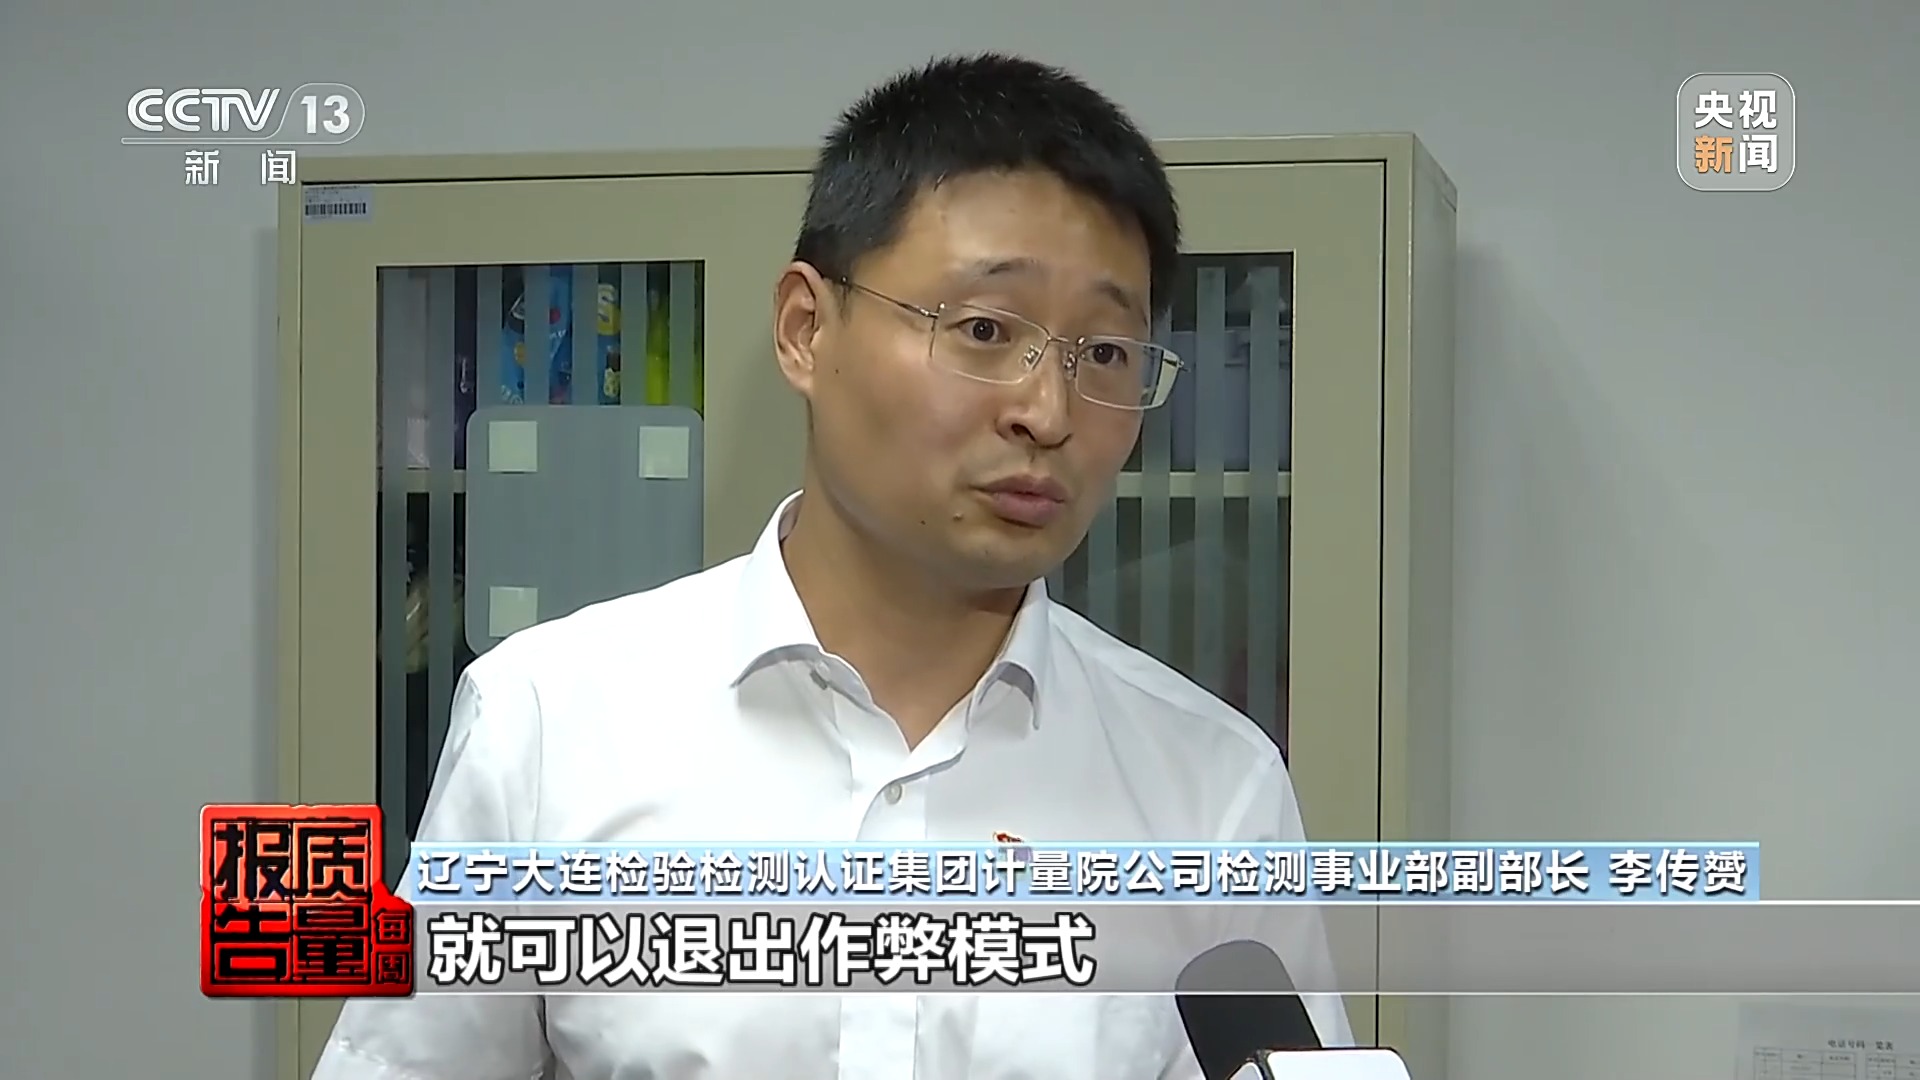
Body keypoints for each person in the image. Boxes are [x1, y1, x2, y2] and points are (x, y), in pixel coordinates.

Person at [313, 52, 1351, 1080]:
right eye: (984, 329)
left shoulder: (1211, 789)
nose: (1047, 412)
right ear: (806, 329)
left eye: (1108, 354)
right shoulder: (550, 724)